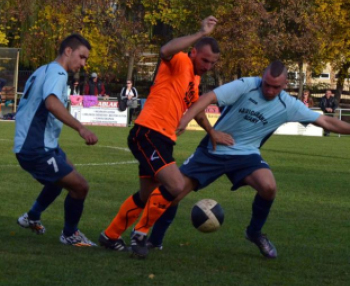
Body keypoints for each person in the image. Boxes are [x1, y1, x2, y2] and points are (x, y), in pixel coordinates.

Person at [146, 60, 350, 259]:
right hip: (213, 150)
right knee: (173, 194)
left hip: (246, 155)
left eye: (275, 87)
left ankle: (254, 232)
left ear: (285, 85)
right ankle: (154, 241)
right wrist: (196, 123)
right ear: (262, 78)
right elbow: (208, 97)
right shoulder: (245, 85)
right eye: (267, 84)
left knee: (268, 187)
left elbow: (325, 121)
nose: (269, 90)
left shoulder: (289, 105)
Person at [99, 16, 230, 258]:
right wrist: (201, 32)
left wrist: (211, 132)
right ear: (193, 52)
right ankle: (140, 235)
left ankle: (110, 236)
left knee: (147, 196)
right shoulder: (179, 60)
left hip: (163, 139)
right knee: (176, 185)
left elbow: (196, 110)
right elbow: (165, 49)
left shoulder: (195, 78)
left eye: (212, 63)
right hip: (149, 132)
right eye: (205, 60)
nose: (208, 66)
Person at [14, 33, 98, 247]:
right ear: (68, 51)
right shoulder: (58, 72)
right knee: (80, 187)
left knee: (65, 175)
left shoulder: (43, 69)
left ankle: (32, 216)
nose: (83, 63)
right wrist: (81, 128)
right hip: (36, 148)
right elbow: (51, 103)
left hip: (43, 145)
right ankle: (70, 234)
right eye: (82, 57)